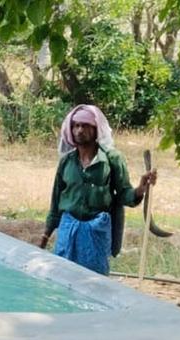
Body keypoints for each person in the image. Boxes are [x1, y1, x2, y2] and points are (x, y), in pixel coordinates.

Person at [39, 104, 157, 275]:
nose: (80, 130)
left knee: (93, 281)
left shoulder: (112, 159)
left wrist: (140, 189)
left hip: (96, 231)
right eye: (76, 125)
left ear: (96, 130)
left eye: (86, 125)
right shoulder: (67, 162)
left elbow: (124, 194)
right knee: (61, 277)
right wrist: (45, 235)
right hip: (68, 228)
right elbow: (56, 200)